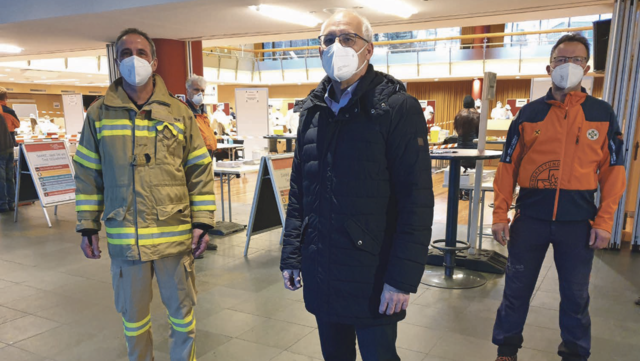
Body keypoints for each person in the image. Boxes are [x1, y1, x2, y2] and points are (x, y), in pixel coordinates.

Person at [280, 10, 434, 361]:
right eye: (329, 40)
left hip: (374, 273)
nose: (338, 46)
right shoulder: (311, 112)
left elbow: (416, 201)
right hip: (323, 269)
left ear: (369, 49)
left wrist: (401, 279)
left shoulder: (397, 109)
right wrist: (291, 254)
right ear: (319, 49)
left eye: (347, 38)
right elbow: (300, 192)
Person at [73, 28, 216, 361]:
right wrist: (87, 225)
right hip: (126, 239)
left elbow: (198, 170)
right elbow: (87, 174)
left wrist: (203, 222)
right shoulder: (98, 114)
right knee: (133, 321)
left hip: (174, 238)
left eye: (140, 52)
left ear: (154, 61)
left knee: (183, 318)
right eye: (125, 53)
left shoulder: (180, 114)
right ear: (116, 60)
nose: (133, 59)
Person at [491, 33, 626, 361]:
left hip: (578, 223)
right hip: (530, 220)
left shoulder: (602, 114)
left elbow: (614, 173)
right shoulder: (528, 115)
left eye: (576, 60)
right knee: (516, 290)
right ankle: (506, 351)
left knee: (576, 296)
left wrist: (605, 222)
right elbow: (508, 166)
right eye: (562, 60)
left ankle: (575, 354)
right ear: (549, 66)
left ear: (587, 68)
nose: (568, 65)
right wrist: (499, 214)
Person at [185, 74, 219, 253]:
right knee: (194, 201)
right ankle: (195, 240)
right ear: (188, 91)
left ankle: (204, 233)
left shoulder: (202, 112)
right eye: (196, 90)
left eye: (202, 90)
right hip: (194, 163)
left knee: (206, 200)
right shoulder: (185, 112)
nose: (199, 93)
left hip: (207, 158)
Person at [454, 95, 481, 200]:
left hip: (460, 146)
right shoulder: (477, 115)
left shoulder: (459, 115)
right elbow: (479, 133)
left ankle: (459, 192)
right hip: (473, 146)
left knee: (461, 169)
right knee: (472, 170)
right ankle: (468, 193)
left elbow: (457, 131)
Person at [0, 110, 15, 213]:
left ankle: (3, 204)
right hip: (9, 148)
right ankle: (11, 203)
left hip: (1, 150)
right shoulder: (1, 116)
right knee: (9, 177)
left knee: (1, 179)